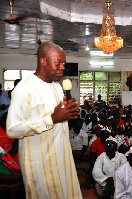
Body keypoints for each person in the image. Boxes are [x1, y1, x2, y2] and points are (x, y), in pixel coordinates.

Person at [6, 42, 82, 198]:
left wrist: (69, 112)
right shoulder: (25, 88)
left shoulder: (57, 87)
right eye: (58, 62)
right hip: (40, 165)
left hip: (62, 159)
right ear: (43, 61)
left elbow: (58, 118)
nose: (62, 67)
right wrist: (51, 119)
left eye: (64, 63)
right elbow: (12, 129)